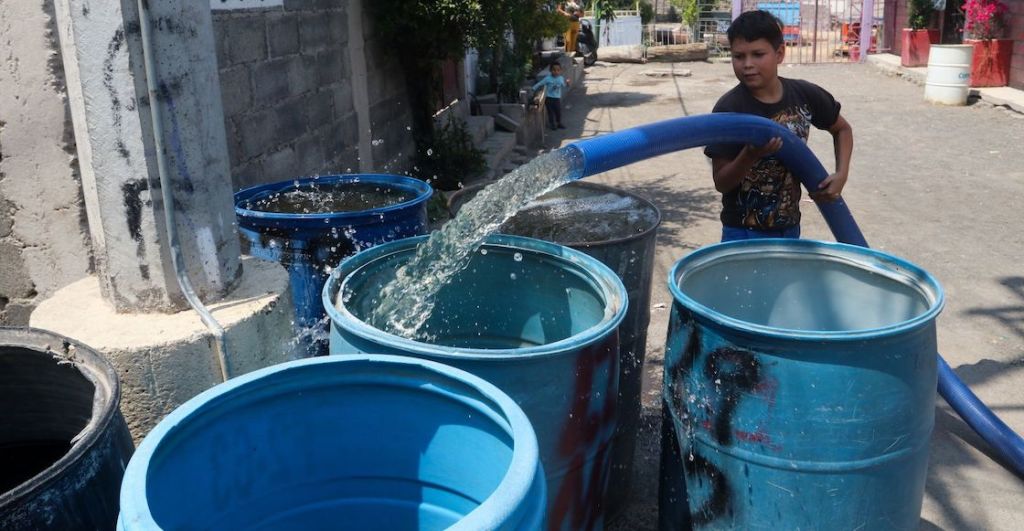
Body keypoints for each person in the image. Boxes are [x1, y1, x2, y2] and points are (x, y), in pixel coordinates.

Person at [704, 10, 853, 242]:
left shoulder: (804, 95)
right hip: (741, 232)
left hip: (789, 228)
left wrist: (841, 174)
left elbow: (842, 129)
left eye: (758, 54)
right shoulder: (728, 109)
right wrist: (750, 155)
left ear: (780, 53)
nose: (748, 64)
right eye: (739, 56)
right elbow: (721, 183)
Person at [532, 63, 571, 130]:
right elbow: (540, 83)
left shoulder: (561, 78)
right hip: (548, 98)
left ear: (560, 71)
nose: (556, 72)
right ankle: (552, 124)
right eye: (554, 70)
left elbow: (564, 86)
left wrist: (567, 83)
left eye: (558, 70)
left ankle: (559, 123)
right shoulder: (548, 78)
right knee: (551, 112)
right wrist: (533, 88)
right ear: (550, 70)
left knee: (558, 111)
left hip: (557, 98)